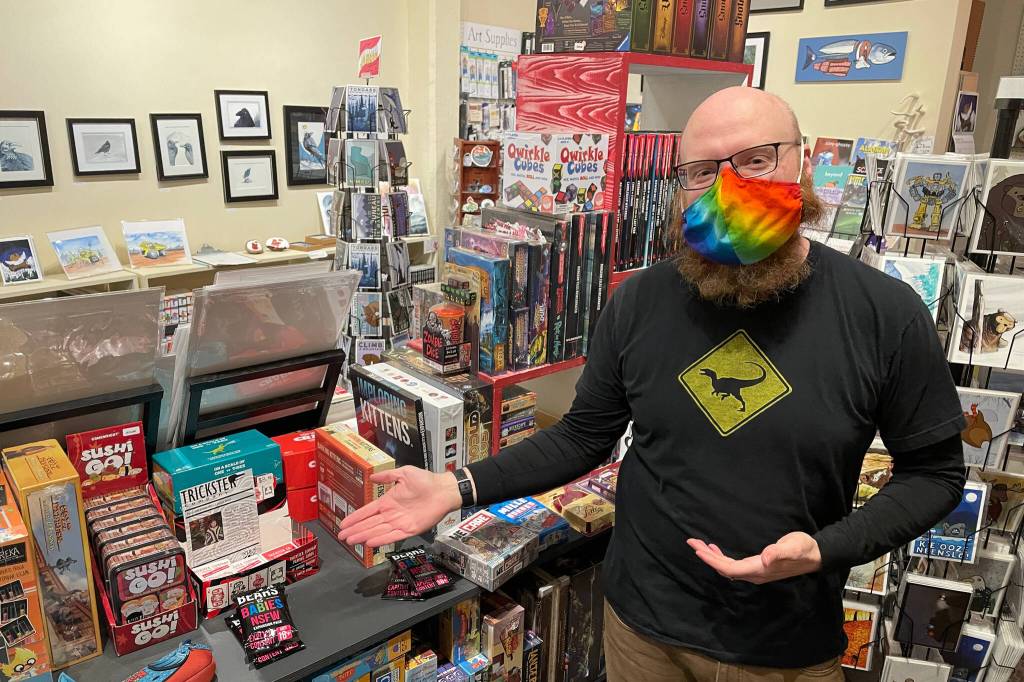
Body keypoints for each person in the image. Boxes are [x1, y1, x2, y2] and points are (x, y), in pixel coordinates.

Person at [339, 86, 966, 681]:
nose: (726, 187)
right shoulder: (639, 301)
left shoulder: (884, 313)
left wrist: (828, 549)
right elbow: (584, 436)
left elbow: (934, 473)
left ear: (801, 163)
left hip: (787, 645)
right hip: (643, 630)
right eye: (701, 171)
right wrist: (456, 485)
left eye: (754, 160)